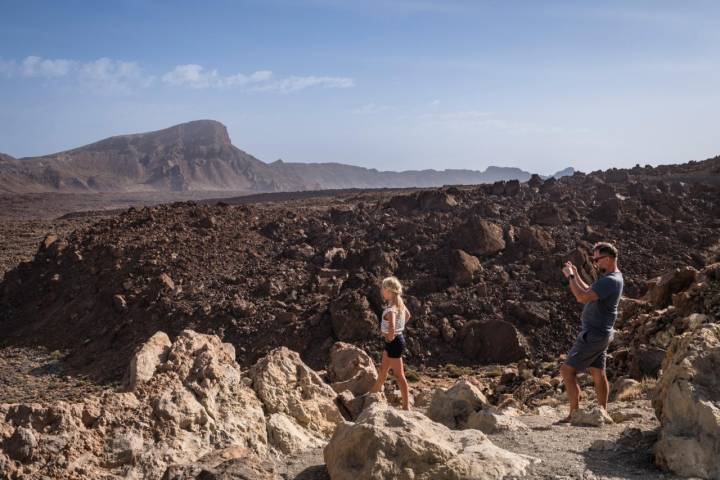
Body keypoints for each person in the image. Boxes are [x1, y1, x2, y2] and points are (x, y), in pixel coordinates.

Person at [558, 242, 624, 423]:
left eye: (597, 259)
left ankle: (574, 414)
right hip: (601, 333)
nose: (595, 263)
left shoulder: (611, 280)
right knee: (597, 372)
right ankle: (603, 412)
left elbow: (581, 297)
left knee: (566, 371)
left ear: (609, 259)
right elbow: (588, 289)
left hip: (593, 334)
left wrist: (570, 276)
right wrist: (577, 274)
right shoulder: (613, 277)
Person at [369, 276, 412, 410]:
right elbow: (408, 316)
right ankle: (372, 395)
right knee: (383, 370)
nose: (381, 290)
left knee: (399, 376)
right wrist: (399, 329)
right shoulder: (399, 304)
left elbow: (392, 326)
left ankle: (406, 406)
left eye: (382, 288)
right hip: (395, 342)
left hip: (393, 343)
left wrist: (390, 336)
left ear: (388, 290)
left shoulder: (391, 309)